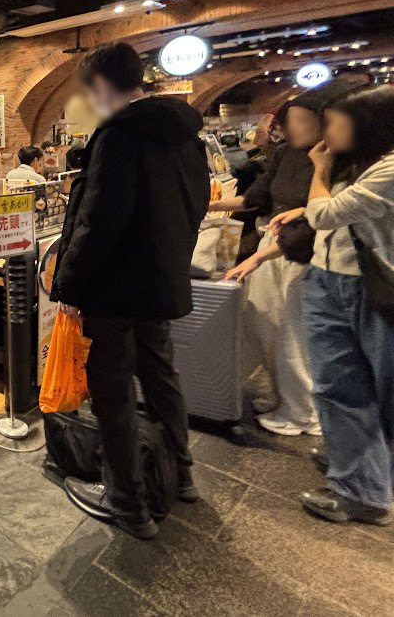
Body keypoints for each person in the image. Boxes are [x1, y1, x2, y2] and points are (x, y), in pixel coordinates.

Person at [51, 41, 209, 540]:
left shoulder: (119, 136)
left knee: (114, 396)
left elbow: (98, 222)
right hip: (160, 283)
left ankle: (128, 504)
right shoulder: (184, 134)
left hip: (114, 292)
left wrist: (68, 285)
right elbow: (198, 204)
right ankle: (181, 475)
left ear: (100, 86)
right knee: (162, 377)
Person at [275, 86, 394, 526]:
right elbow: (325, 214)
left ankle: (366, 487)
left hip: (368, 289)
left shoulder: (386, 168)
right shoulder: (356, 166)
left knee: (371, 387)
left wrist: (319, 170)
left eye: (337, 120)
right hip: (329, 281)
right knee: (338, 385)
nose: (327, 129)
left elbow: (326, 214)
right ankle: (359, 474)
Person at [218, 81, 359, 435]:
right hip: (273, 247)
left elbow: (317, 219)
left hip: (304, 255)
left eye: (301, 120)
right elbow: (255, 199)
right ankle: (283, 396)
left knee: (294, 337)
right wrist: (206, 205)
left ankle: (303, 412)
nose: (291, 127)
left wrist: (258, 257)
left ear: (323, 122)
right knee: (263, 325)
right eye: (289, 120)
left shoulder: (339, 163)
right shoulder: (285, 154)